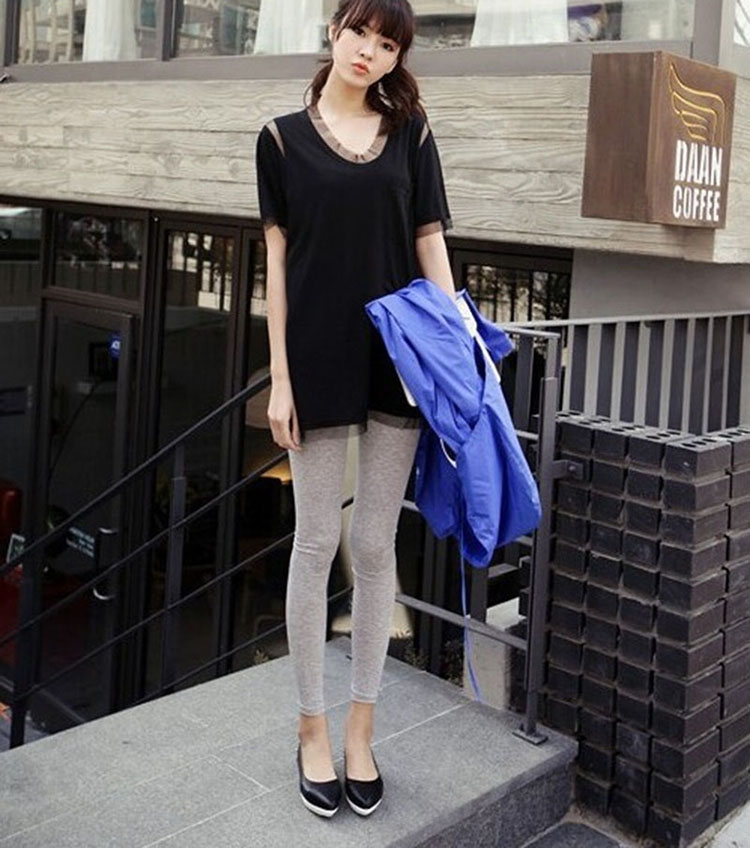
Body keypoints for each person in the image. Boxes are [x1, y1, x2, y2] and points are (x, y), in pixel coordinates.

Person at [253, 0, 455, 818]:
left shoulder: (411, 133)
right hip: (316, 359)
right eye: (360, 33)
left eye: (387, 43)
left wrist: (454, 353)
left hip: (396, 362)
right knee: (314, 543)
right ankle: (312, 727)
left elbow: (430, 240)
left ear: (397, 56)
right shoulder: (279, 140)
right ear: (333, 30)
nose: (369, 51)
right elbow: (276, 263)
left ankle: (362, 729)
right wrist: (280, 378)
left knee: (373, 544)